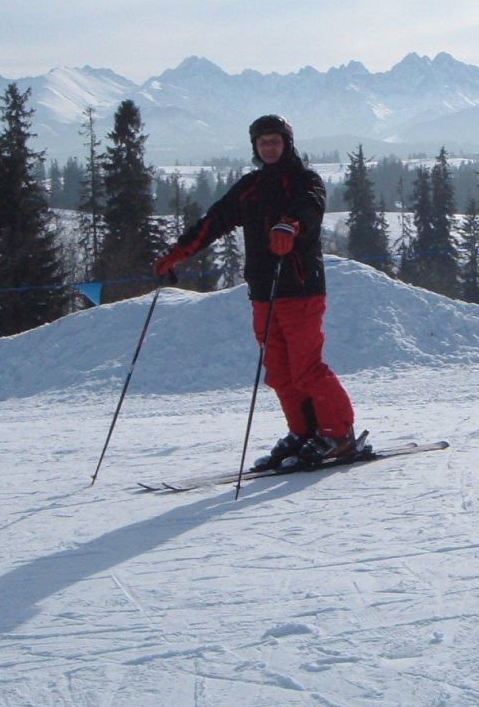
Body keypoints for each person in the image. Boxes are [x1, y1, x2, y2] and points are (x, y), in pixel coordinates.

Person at [153, 114, 367, 471]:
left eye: (275, 141)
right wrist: (178, 252)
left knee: (307, 369)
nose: (269, 147)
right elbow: (214, 221)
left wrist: (290, 224)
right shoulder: (249, 187)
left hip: (300, 288)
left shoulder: (304, 180)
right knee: (280, 372)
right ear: (255, 146)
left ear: (287, 144)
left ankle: (339, 435)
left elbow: (309, 209)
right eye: (263, 141)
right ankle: (303, 432)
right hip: (263, 293)